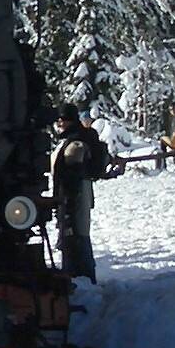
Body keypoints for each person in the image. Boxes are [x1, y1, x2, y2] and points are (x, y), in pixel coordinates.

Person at [49, 107, 104, 281]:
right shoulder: (73, 139)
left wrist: (66, 201)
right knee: (77, 233)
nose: (59, 123)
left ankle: (80, 275)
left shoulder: (75, 143)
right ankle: (81, 274)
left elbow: (72, 175)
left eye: (63, 120)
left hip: (75, 195)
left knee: (76, 234)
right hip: (78, 193)